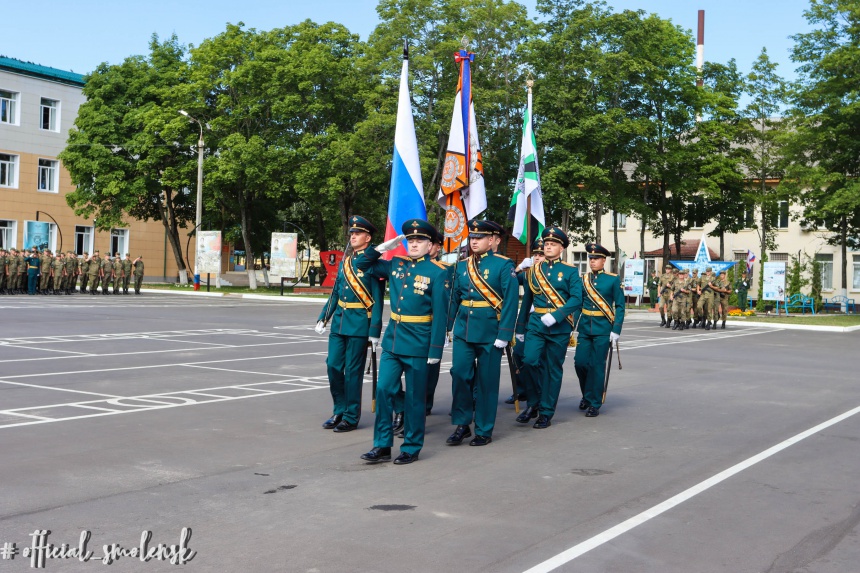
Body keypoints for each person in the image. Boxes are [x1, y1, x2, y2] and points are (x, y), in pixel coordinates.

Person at [358, 220, 448, 465]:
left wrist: (436, 348)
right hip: (394, 341)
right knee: (384, 389)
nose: (415, 244)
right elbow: (361, 264)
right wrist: (381, 247)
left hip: (419, 343)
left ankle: (411, 446)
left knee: (415, 398)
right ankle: (382, 444)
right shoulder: (396, 264)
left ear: (430, 245)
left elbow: (441, 313)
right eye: (411, 240)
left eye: (420, 240)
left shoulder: (438, 272)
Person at [445, 219, 518, 446]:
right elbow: (454, 299)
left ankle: (484, 429)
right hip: (464, 330)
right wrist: (447, 328)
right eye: (472, 238)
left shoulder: (503, 266)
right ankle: (462, 424)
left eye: (479, 238)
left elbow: (510, 302)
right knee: (459, 375)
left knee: (487, 382)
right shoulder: (461, 265)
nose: (474, 241)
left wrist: (504, 334)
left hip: (490, 331)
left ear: (492, 240)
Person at [315, 216, 384, 433]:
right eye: (351, 234)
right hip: (339, 323)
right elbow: (336, 292)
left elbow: (378, 299)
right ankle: (339, 409)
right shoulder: (346, 262)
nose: (352, 236)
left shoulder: (372, 264)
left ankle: (351, 416)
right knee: (333, 366)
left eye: (357, 233)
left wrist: (375, 329)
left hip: (359, 324)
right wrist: (323, 317)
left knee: (353, 371)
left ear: (368, 238)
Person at [516, 227, 583, 428]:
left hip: (559, 326)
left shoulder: (570, 271)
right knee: (529, 360)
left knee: (552, 369)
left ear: (561, 248)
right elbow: (527, 299)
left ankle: (546, 411)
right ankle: (534, 403)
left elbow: (577, 299)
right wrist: (520, 328)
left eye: (553, 244)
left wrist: (556, 316)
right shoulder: (534, 271)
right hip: (536, 323)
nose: (548, 247)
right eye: (546, 244)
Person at [574, 243, 625, 417]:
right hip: (585, 328)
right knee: (580, 363)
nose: (592, 261)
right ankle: (587, 395)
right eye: (591, 259)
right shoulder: (583, 279)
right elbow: (577, 305)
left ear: (604, 260)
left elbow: (620, 306)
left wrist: (616, 329)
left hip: (603, 328)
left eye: (596, 259)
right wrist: (571, 326)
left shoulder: (612, 279)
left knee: (596, 366)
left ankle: (594, 402)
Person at [506, 239, 545, 405]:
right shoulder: (528, 274)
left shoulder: (553, 275)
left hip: (544, 320)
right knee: (519, 354)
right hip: (527, 320)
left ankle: (539, 392)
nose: (537, 257)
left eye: (541, 254)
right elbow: (510, 280)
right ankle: (521, 390)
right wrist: (519, 267)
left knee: (537, 359)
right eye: (535, 254)